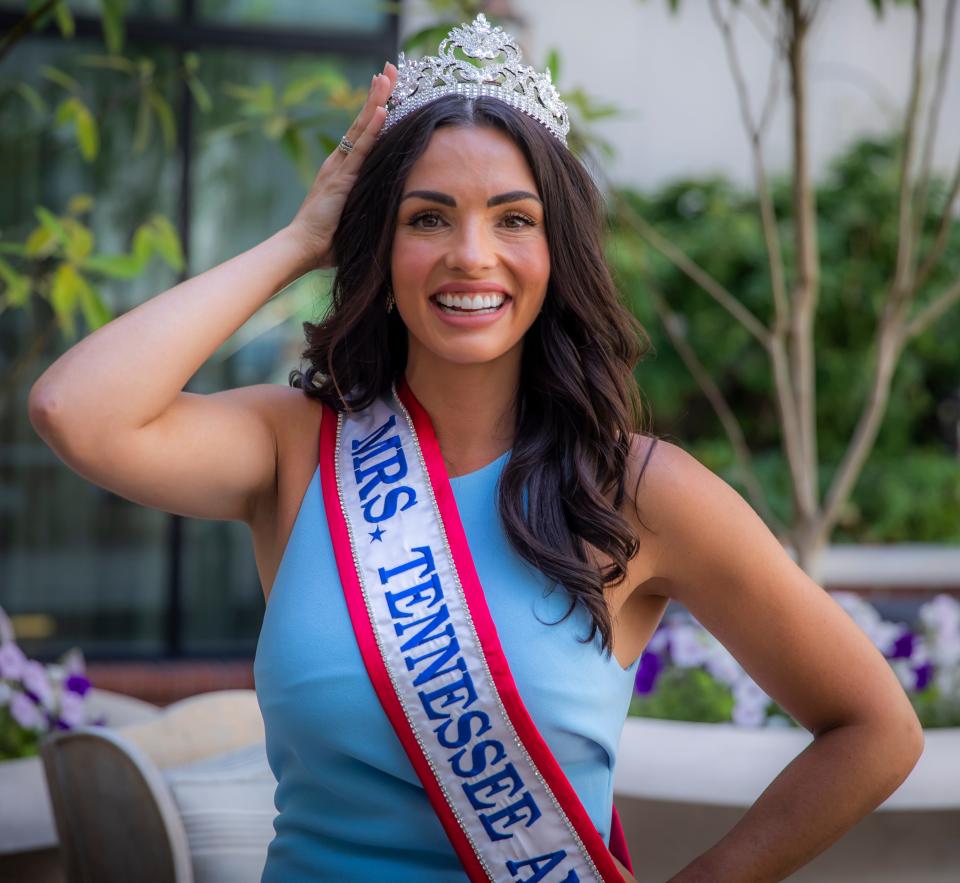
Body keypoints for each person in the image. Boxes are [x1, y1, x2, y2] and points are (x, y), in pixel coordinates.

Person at [28, 13, 923, 883]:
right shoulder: (296, 444)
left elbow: (876, 728)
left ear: (556, 247)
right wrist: (299, 242)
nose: (471, 255)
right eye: (426, 218)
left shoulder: (637, 489)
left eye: (513, 218)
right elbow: (76, 409)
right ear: (378, 244)